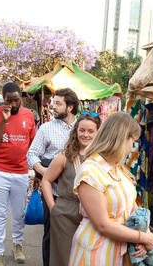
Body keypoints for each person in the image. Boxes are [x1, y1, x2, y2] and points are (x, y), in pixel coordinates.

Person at [68, 112, 153, 265]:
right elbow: (103, 225)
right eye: (133, 141)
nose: (132, 147)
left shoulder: (117, 168)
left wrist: (145, 233)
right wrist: (143, 238)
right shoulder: (90, 171)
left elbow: (133, 208)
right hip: (97, 250)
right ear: (121, 139)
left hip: (119, 246)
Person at [26, 88, 80, 266]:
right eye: (52, 103)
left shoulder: (83, 128)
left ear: (70, 107)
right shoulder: (46, 128)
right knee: (51, 236)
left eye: (58, 103)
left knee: (78, 235)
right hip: (54, 192)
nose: (52, 107)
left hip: (80, 195)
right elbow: (32, 154)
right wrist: (44, 172)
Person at [41, 113, 101, 266]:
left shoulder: (101, 158)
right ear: (76, 131)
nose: (85, 135)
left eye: (90, 131)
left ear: (98, 133)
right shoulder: (65, 156)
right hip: (65, 214)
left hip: (92, 215)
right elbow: (46, 180)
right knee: (64, 258)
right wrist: (53, 208)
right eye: (82, 130)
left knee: (88, 259)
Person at [0, 83, 36, 266]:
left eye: (17, 100)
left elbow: (32, 146)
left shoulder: (29, 115)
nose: (14, 104)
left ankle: (18, 246)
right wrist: (3, 121)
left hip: (21, 172)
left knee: (18, 214)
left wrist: (35, 171)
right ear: (4, 99)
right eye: (9, 100)